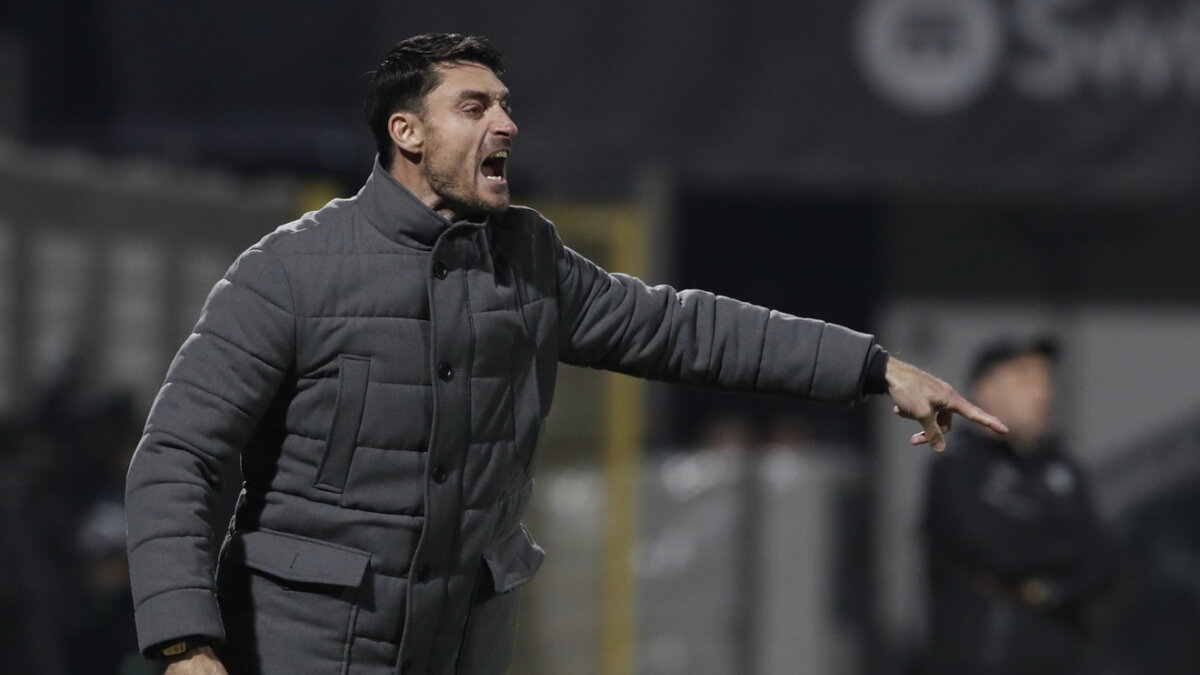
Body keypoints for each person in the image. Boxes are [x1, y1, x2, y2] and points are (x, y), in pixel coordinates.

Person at [125, 33, 1006, 675]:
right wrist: (185, 642)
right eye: (476, 107)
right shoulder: (289, 271)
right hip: (301, 649)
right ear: (407, 133)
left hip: (459, 647)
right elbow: (178, 455)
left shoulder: (530, 259)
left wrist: (874, 367)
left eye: (507, 105)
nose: (507, 123)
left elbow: (686, 329)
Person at [922, 336, 1116, 675]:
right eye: (1025, 379)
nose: (1042, 393)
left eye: (1046, 380)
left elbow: (1102, 560)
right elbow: (996, 551)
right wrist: (1064, 545)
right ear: (985, 389)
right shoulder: (958, 468)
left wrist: (1048, 590)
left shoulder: (1064, 469)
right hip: (979, 662)